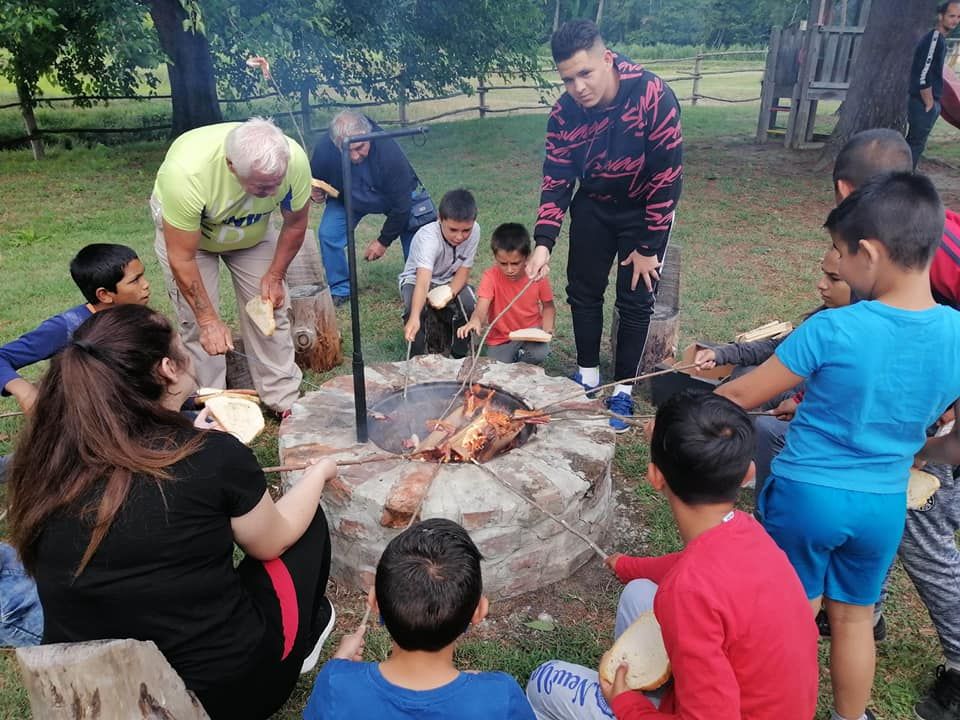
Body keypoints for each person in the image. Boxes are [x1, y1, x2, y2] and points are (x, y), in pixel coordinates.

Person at [6, 304, 337, 720]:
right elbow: (273, 541)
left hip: (94, 694)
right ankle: (298, 642)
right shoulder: (214, 457)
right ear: (167, 369)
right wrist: (318, 473)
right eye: (183, 347)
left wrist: (189, 434)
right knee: (304, 524)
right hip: (219, 698)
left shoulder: (45, 462)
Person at [715, 172, 960, 720]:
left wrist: (683, 419)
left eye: (841, 254)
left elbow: (740, 394)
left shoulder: (833, 328)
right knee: (854, 619)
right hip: (882, 506)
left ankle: (779, 710)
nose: (838, 268)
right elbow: (955, 447)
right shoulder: (957, 334)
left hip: (808, 498)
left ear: (868, 254)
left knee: (792, 616)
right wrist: (919, 451)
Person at [525, 390, 818, 719]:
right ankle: (648, 686)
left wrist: (626, 704)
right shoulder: (748, 532)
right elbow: (686, 567)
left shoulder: (688, 592)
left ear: (655, 477)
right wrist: (628, 566)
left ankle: (631, 700)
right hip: (770, 702)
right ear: (748, 474)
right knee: (639, 592)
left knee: (545, 680)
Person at [525, 19, 683, 432]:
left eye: (585, 73)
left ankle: (622, 391)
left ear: (607, 59)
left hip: (644, 210)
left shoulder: (653, 95)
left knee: (636, 300)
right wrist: (543, 242)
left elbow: (667, 178)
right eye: (567, 79)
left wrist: (648, 246)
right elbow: (557, 179)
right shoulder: (564, 114)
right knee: (583, 291)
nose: (578, 87)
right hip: (594, 206)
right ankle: (588, 376)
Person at [151, 117, 311, 414]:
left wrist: (275, 275)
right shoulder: (186, 174)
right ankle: (212, 404)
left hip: (253, 233)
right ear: (231, 166)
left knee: (268, 310)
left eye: (277, 183)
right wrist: (208, 321)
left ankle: (283, 399)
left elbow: (296, 224)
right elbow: (182, 257)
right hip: (192, 243)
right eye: (263, 186)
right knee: (198, 325)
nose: (273, 193)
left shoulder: (294, 161)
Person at [303, 518, 535, 720]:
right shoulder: (501, 697)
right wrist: (481, 687)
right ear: (479, 612)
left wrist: (340, 662)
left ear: (374, 602)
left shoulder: (335, 684)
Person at [694, 247, 852, 496]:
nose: (821, 285)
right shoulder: (825, 317)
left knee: (769, 427)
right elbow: (775, 348)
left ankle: (764, 503)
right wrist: (720, 354)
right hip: (803, 397)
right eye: (823, 274)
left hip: (831, 413)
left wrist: (801, 402)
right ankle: (738, 461)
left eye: (834, 278)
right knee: (745, 374)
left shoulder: (858, 332)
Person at [0, 243, 150, 416]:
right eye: (135, 280)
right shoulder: (68, 326)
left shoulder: (139, 316)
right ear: (104, 295)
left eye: (143, 276)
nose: (146, 284)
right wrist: (24, 391)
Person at [310, 111, 430, 305]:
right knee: (328, 234)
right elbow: (315, 178)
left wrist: (383, 241)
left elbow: (402, 205)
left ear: (369, 134)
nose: (355, 156)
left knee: (416, 229)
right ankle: (341, 288)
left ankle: (418, 284)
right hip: (348, 198)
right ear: (336, 143)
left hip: (389, 197)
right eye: (347, 150)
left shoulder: (388, 150)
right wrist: (315, 192)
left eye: (360, 147)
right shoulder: (326, 147)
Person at [457, 223, 556, 364]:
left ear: (527, 257)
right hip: (502, 336)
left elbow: (548, 306)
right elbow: (481, 307)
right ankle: (513, 358)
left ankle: (521, 362)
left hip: (531, 332)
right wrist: (475, 320)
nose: (509, 270)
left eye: (515, 263)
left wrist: (547, 329)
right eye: (503, 263)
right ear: (495, 257)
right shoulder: (490, 277)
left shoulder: (537, 275)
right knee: (497, 365)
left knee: (540, 354)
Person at [399, 188, 481, 357]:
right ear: (439, 219)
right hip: (416, 279)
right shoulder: (428, 238)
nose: (459, 237)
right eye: (453, 230)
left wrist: (448, 294)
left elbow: (463, 271)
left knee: (468, 303)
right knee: (413, 308)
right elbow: (422, 283)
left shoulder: (475, 231)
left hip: (449, 278)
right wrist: (415, 317)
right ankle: (417, 358)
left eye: (466, 230)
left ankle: (460, 354)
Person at [906, 2, 960, 169]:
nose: (955, 20)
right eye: (951, 16)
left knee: (916, 144)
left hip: (930, 102)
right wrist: (929, 102)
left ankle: (905, 176)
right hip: (922, 102)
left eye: (958, 17)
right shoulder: (934, 39)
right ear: (940, 16)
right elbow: (923, 72)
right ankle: (903, 178)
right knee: (914, 144)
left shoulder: (940, 40)